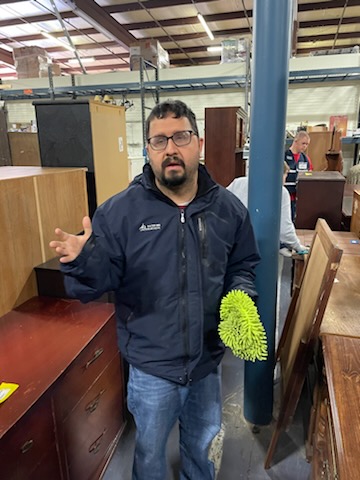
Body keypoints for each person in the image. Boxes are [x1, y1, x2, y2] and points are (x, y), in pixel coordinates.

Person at [49, 99, 261, 480]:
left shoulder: (228, 210)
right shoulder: (118, 213)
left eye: (180, 136)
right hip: (150, 368)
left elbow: (243, 265)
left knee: (201, 445)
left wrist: (241, 295)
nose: (171, 149)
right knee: (149, 453)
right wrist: (84, 261)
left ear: (198, 142)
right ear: (147, 149)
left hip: (205, 362)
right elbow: (93, 285)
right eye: (159, 141)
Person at [227, 162, 307, 257]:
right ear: (278, 174)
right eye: (285, 175)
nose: (285, 180)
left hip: (233, 243)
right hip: (264, 250)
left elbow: (223, 207)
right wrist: (298, 246)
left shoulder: (238, 183)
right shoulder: (281, 192)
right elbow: (285, 229)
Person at [284, 130, 313, 220]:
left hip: (299, 197)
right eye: (303, 143)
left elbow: (310, 174)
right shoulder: (283, 156)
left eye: (307, 144)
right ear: (295, 141)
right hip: (286, 196)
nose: (305, 146)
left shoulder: (305, 159)